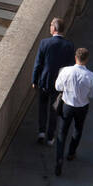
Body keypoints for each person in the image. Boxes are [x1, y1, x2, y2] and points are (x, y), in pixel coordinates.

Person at [53, 47, 93, 175]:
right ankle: (71, 153)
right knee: (78, 129)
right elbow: (92, 94)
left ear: (75, 57)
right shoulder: (90, 76)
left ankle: (59, 159)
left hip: (67, 104)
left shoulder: (66, 71)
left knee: (62, 132)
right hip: (82, 107)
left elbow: (58, 86)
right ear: (87, 59)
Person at [32, 17, 75, 145]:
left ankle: (41, 132)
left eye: (51, 25)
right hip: (60, 84)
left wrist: (34, 79)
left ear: (54, 28)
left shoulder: (44, 43)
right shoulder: (69, 46)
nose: (49, 27)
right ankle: (50, 136)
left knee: (43, 106)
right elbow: (70, 67)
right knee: (54, 109)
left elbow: (38, 64)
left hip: (44, 80)